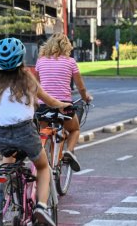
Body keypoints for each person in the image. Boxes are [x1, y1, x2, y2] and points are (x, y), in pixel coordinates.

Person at [0, 37, 70, 226]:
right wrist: (63, 105)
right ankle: (41, 207)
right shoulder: (27, 80)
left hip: (1, 134)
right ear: (21, 60)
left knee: (8, 162)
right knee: (43, 167)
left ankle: (6, 193)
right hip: (25, 132)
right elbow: (48, 100)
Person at [35, 33, 93, 172]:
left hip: (44, 106)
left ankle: (42, 156)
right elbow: (81, 87)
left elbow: (38, 85)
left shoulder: (40, 61)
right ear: (66, 46)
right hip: (63, 106)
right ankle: (70, 151)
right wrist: (86, 97)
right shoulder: (70, 62)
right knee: (74, 129)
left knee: (43, 131)